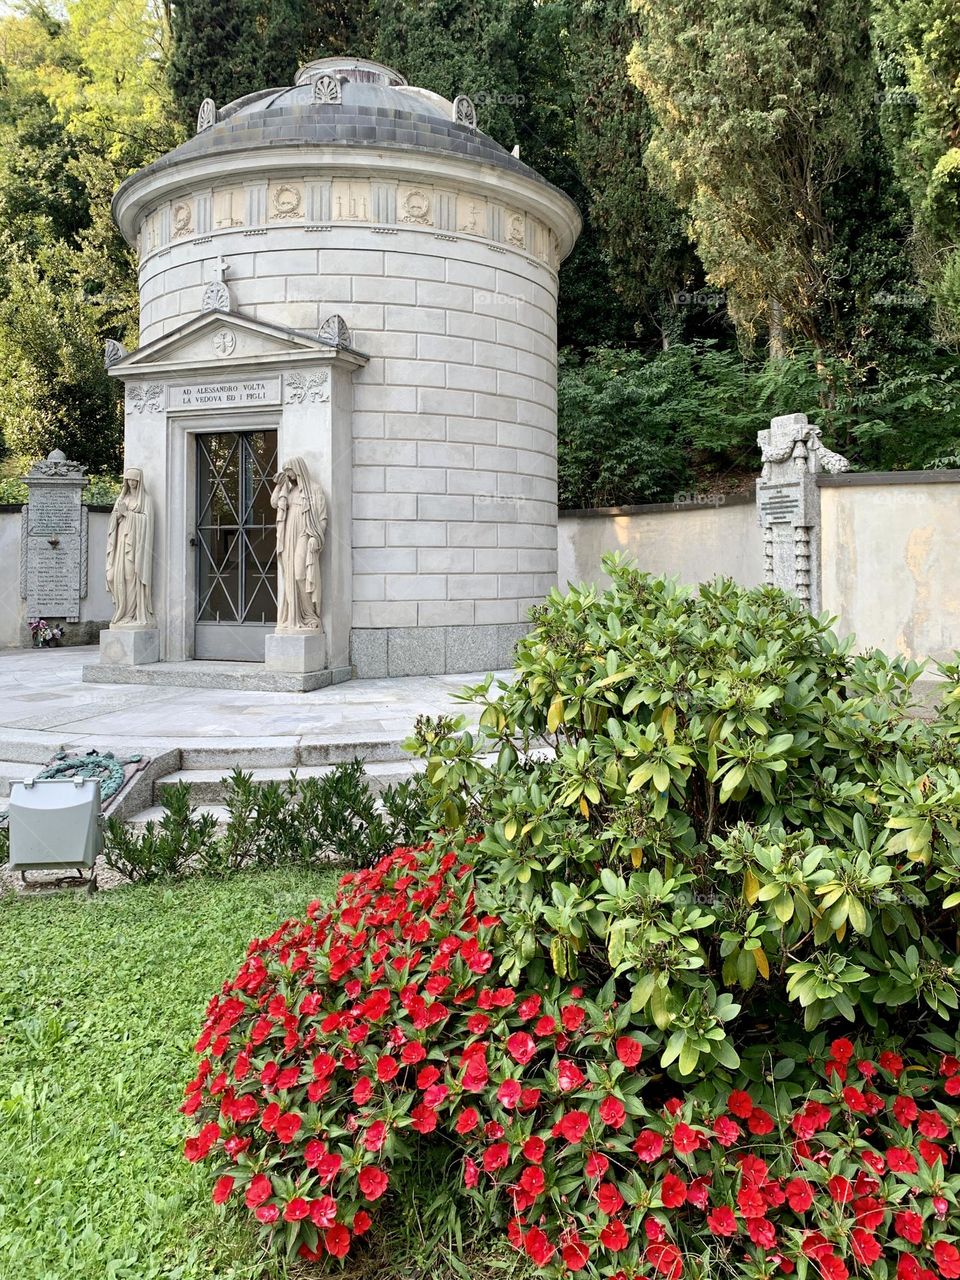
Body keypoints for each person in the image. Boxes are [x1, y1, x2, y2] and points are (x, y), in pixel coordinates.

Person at [270, 457, 327, 630]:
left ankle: (309, 615)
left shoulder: (315, 490)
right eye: (286, 471)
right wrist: (280, 486)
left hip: (304, 534)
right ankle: (292, 618)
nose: (288, 474)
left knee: (300, 574)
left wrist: (316, 537)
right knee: (290, 576)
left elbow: (322, 518)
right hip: (289, 535)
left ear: (298, 469)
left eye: (289, 470)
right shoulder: (289, 490)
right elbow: (274, 503)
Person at [106, 467, 155, 626]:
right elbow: (113, 523)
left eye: (135, 480)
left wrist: (128, 514)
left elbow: (147, 522)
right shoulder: (122, 498)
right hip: (121, 543)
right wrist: (119, 514)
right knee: (114, 576)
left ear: (139, 481)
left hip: (136, 546)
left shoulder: (145, 500)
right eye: (129, 480)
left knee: (130, 576)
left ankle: (132, 614)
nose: (132, 483)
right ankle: (122, 611)